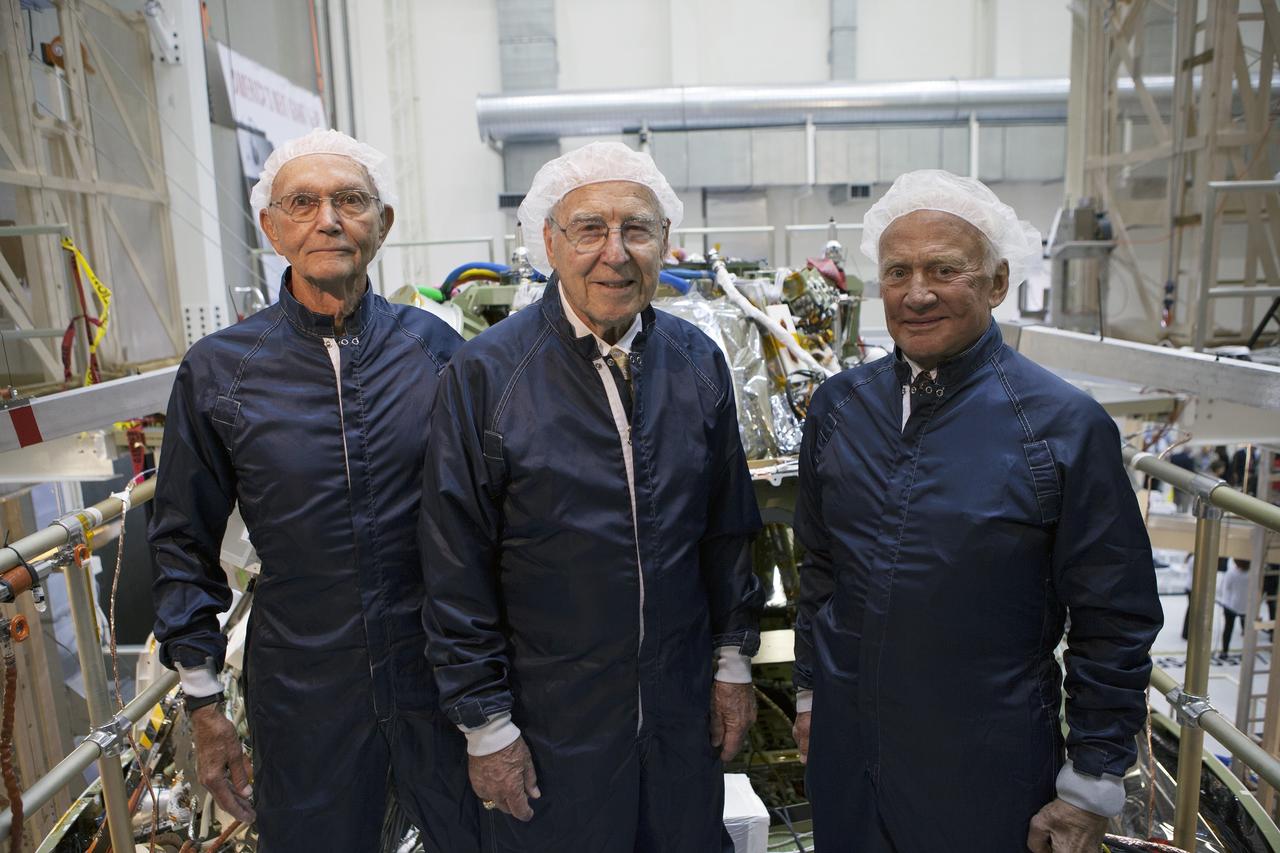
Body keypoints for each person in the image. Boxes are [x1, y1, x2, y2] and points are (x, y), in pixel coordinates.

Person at [791, 169, 1163, 853]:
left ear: (996, 283)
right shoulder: (839, 409)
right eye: (898, 272)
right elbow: (820, 570)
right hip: (848, 763)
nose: (917, 292)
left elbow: (1113, 616)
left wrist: (1090, 779)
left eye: (945, 269)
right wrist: (812, 695)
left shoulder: (1061, 427)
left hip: (985, 772)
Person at [419, 141, 763, 852]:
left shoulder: (697, 362)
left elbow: (728, 531)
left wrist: (732, 664)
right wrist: (487, 726)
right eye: (589, 230)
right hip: (551, 727)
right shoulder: (488, 375)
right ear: (550, 242)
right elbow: (454, 567)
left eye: (636, 229)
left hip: (677, 716)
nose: (615, 253)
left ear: (665, 241)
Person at [150, 129, 478, 852]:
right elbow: (181, 542)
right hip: (305, 688)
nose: (328, 220)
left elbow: (495, 524)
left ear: (382, 223)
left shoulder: (439, 353)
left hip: (441, 677)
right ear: (272, 229)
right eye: (302, 203)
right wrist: (204, 705)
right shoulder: (221, 370)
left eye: (350, 200)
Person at [1218, 558, 1253, 659]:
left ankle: (1224, 651)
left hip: (1230, 606)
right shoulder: (1252, 574)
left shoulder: (1231, 573)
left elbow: (1224, 588)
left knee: (1228, 629)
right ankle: (1246, 652)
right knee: (1246, 631)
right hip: (1246, 607)